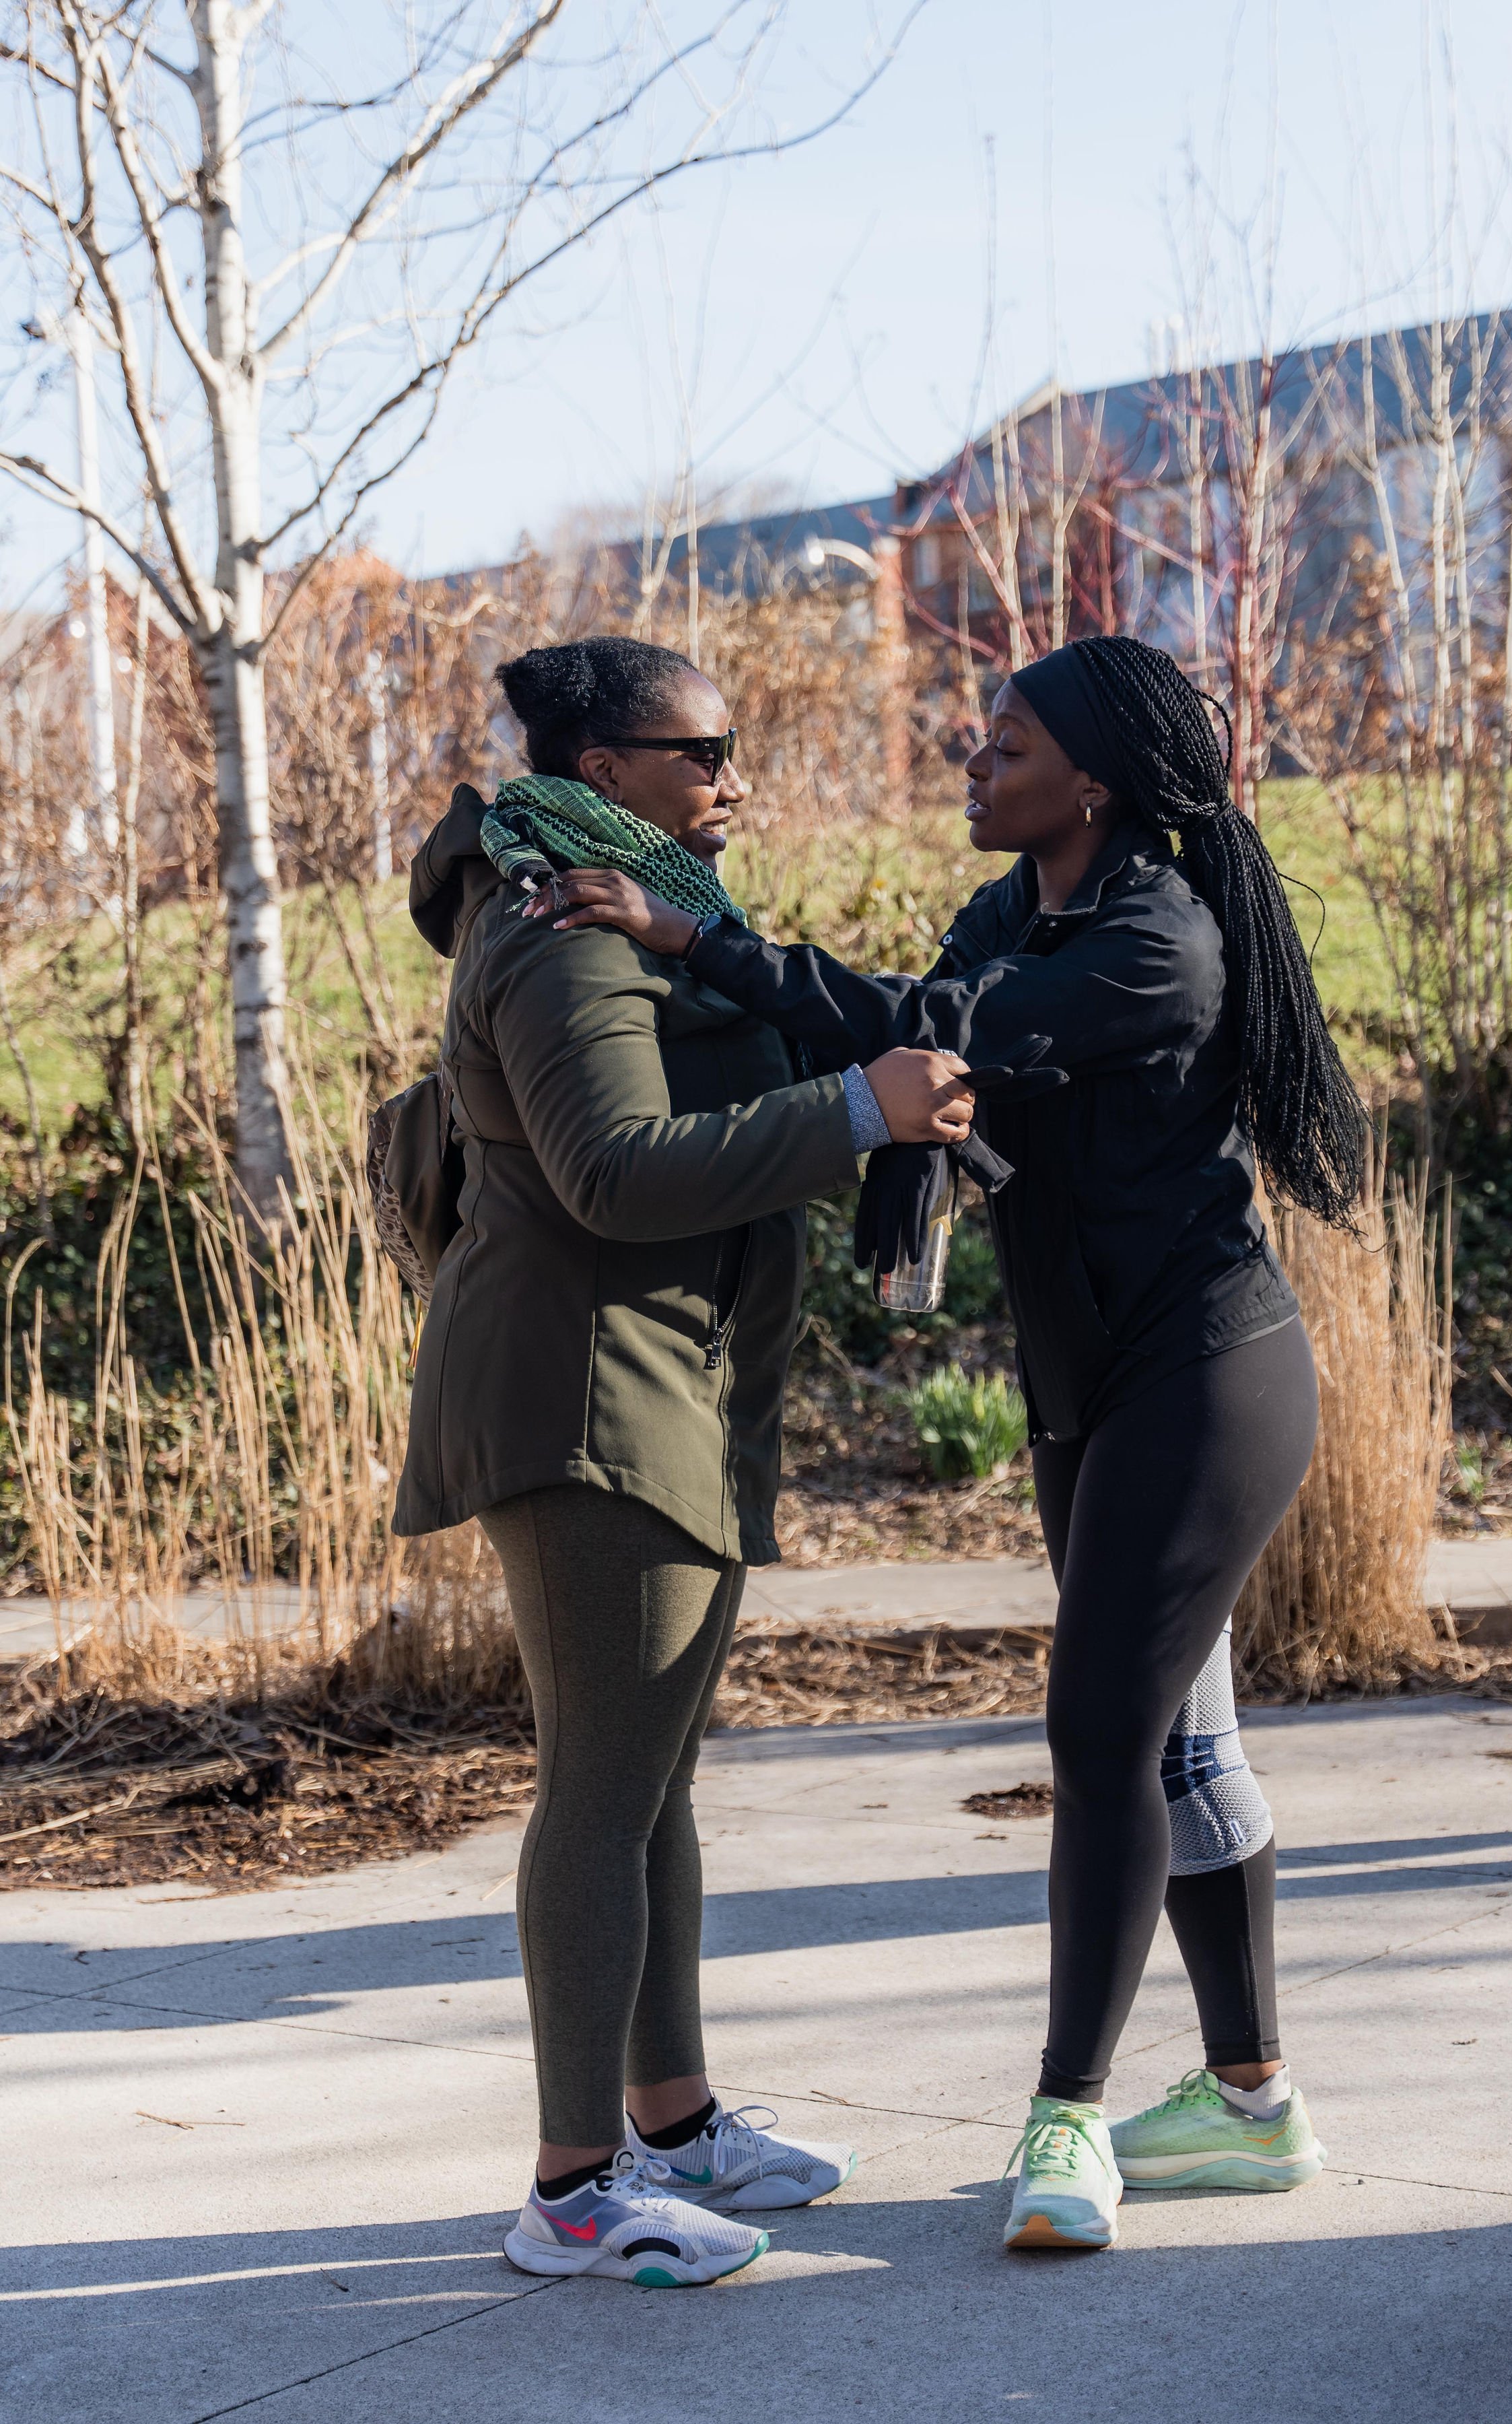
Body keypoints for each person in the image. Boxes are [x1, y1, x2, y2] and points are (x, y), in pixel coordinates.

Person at [548, 632, 1367, 2254]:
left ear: (1098, 779)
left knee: (1099, 1737)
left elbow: (933, 1027)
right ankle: (1252, 2104)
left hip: (1209, 1374)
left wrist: (693, 931)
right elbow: (900, 1034)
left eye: (1004, 745)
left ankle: (1065, 2116)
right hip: (1088, 1385)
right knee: (1185, 1746)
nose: (973, 765)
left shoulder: (1158, 944)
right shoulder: (1023, 910)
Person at [393, 634, 974, 2287]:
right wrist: (853, 1116)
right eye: (702, 751)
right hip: (591, 1411)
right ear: (597, 771)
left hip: (668, 1395)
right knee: (598, 1794)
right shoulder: (559, 929)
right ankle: (577, 2189)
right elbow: (615, 1177)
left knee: (647, 1785)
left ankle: (674, 2120)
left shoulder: (632, 906)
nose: (734, 780)